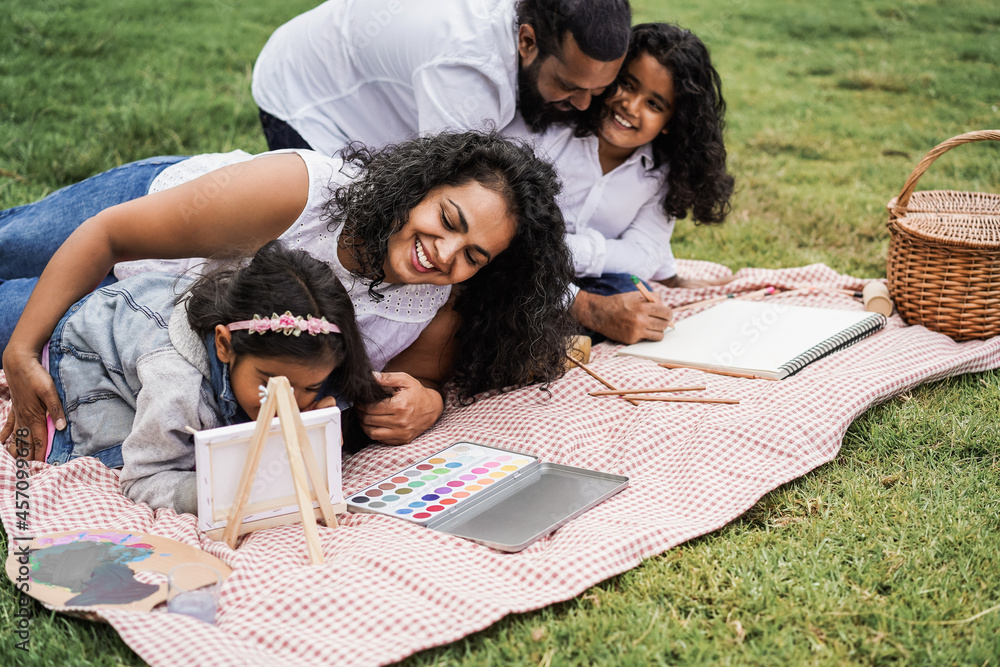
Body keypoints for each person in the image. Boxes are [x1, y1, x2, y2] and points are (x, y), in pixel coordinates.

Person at [0, 131, 576, 460]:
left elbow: (375, 396)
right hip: (141, 230)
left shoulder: (429, 306)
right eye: (448, 219)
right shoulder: (299, 192)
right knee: (10, 247)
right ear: (420, 187)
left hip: (140, 319)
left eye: (474, 255)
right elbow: (109, 235)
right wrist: (23, 353)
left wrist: (430, 403)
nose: (447, 254)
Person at [22, 241, 386, 514]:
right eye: (270, 384)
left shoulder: (311, 355)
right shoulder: (178, 388)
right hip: (96, 348)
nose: (287, 403)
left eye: (308, 388)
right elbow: (142, 480)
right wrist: (222, 491)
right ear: (225, 345)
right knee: (112, 463)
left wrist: (324, 420)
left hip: (156, 315)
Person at [504, 23, 735, 344]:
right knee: (507, 288)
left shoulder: (661, 173)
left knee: (632, 293)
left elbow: (643, 254)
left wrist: (667, 275)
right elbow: (505, 239)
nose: (631, 105)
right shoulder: (551, 130)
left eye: (654, 104)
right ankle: (542, 336)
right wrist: (555, 254)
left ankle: (556, 331)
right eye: (627, 84)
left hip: (573, 273)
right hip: (511, 264)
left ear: (672, 122)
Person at [251, 0, 630, 154]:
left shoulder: (540, 24)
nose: (583, 104)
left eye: (599, 90)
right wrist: (578, 303)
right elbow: (460, 207)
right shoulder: (463, 70)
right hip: (307, 93)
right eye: (569, 86)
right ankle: (194, 175)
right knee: (329, 236)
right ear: (527, 42)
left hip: (382, 63)